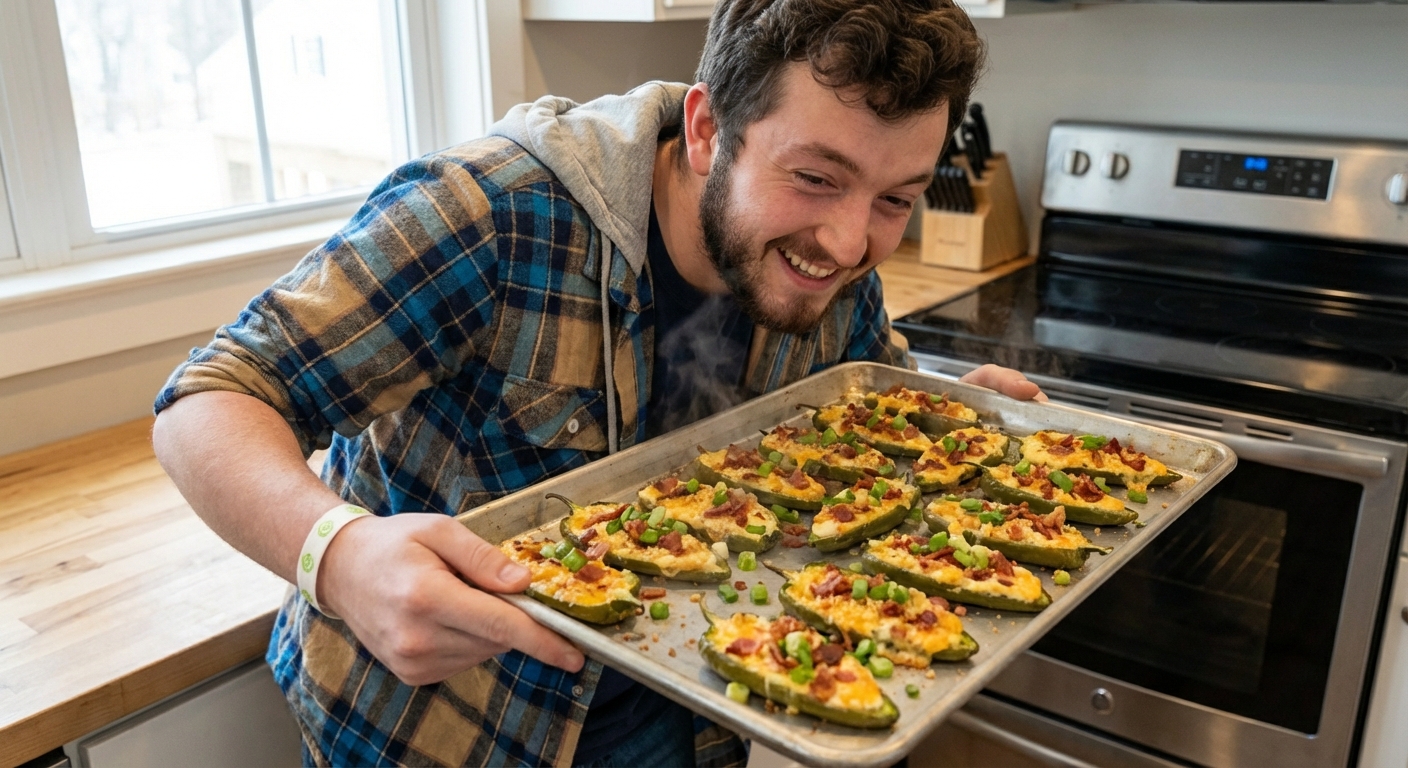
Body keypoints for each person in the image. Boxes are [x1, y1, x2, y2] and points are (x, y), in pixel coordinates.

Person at [152, 1, 1039, 765]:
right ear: (705, 129)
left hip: (685, 710)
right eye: (814, 179)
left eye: (895, 200)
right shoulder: (491, 213)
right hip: (442, 730)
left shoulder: (834, 269)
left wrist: (950, 425)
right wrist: (338, 558)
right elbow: (212, 396)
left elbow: (859, 409)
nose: (850, 245)